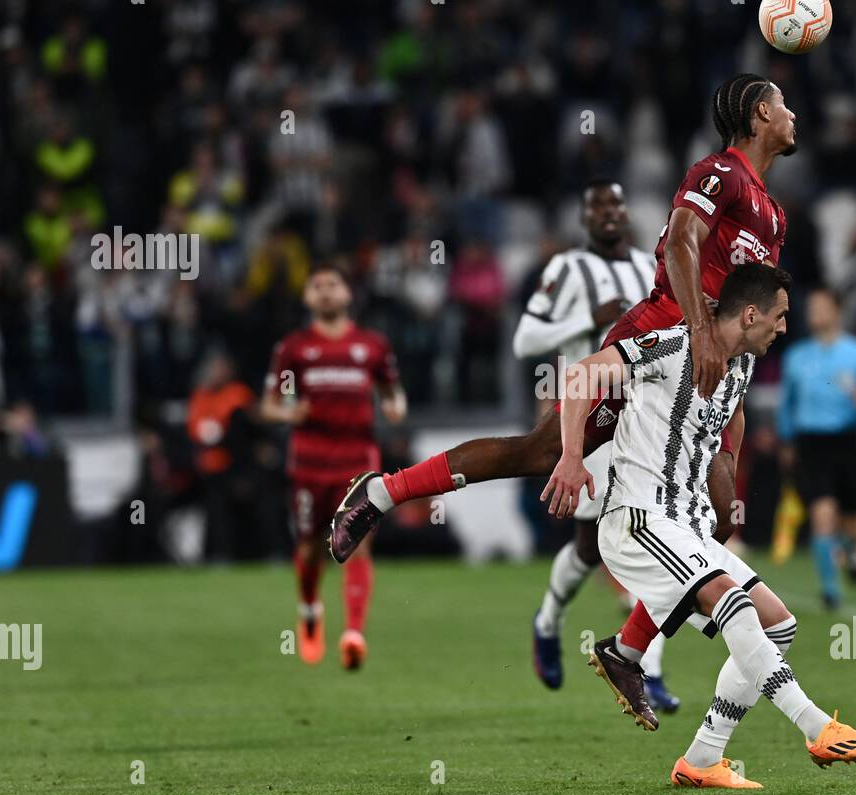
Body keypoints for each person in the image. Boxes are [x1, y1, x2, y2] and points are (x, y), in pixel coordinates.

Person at [330, 73, 796, 671]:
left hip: (715, 373)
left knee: (722, 510)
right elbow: (681, 240)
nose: (792, 116)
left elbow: (751, 316)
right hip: (657, 346)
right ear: (760, 114)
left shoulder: (775, 216)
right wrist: (702, 334)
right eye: (783, 105)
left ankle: (628, 649)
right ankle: (383, 492)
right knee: (541, 454)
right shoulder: (721, 173)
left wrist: (728, 414)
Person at [545, 264, 856, 786]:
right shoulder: (670, 346)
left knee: (779, 624)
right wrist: (571, 456)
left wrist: (727, 462)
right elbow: (581, 374)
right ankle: (815, 725)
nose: (785, 328)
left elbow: (736, 412)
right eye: (780, 316)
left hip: (686, 525)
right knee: (734, 602)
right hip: (638, 518)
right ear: (750, 314)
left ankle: (702, 759)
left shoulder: (742, 365)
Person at [511, 180, 676, 706]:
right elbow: (524, 340)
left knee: (652, 534)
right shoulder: (566, 269)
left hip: (641, 415)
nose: (609, 212)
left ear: (627, 212)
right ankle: (548, 620)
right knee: (589, 549)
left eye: (617, 203)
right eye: (598, 206)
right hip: (589, 416)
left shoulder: (644, 269)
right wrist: (587, 319)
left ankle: (648, 671)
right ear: (584, 218)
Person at [260, 267, 406, 668]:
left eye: (333, 285)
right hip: (309, 463)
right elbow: (271, 403)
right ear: (307, 298)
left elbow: (393, 392)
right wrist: (291, 412)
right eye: (317, 286)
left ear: (347, 293)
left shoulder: (371, 346)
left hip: (358, 463)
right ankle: (310, 611)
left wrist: (395, 408)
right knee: (310, 547)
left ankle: (354, 633)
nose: (325, 292)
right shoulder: (294, 348)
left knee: (359, 546)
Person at [777, 287, 856, 608]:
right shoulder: (796, 356)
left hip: (849, 441)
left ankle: (854, 551)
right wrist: (786, 440)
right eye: (810, 307)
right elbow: (787, 403)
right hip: (812, 444)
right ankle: (830, 589)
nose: (814, 313)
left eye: (821, 306)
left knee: (853, 516)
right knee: (822, 512)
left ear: (837, 310)